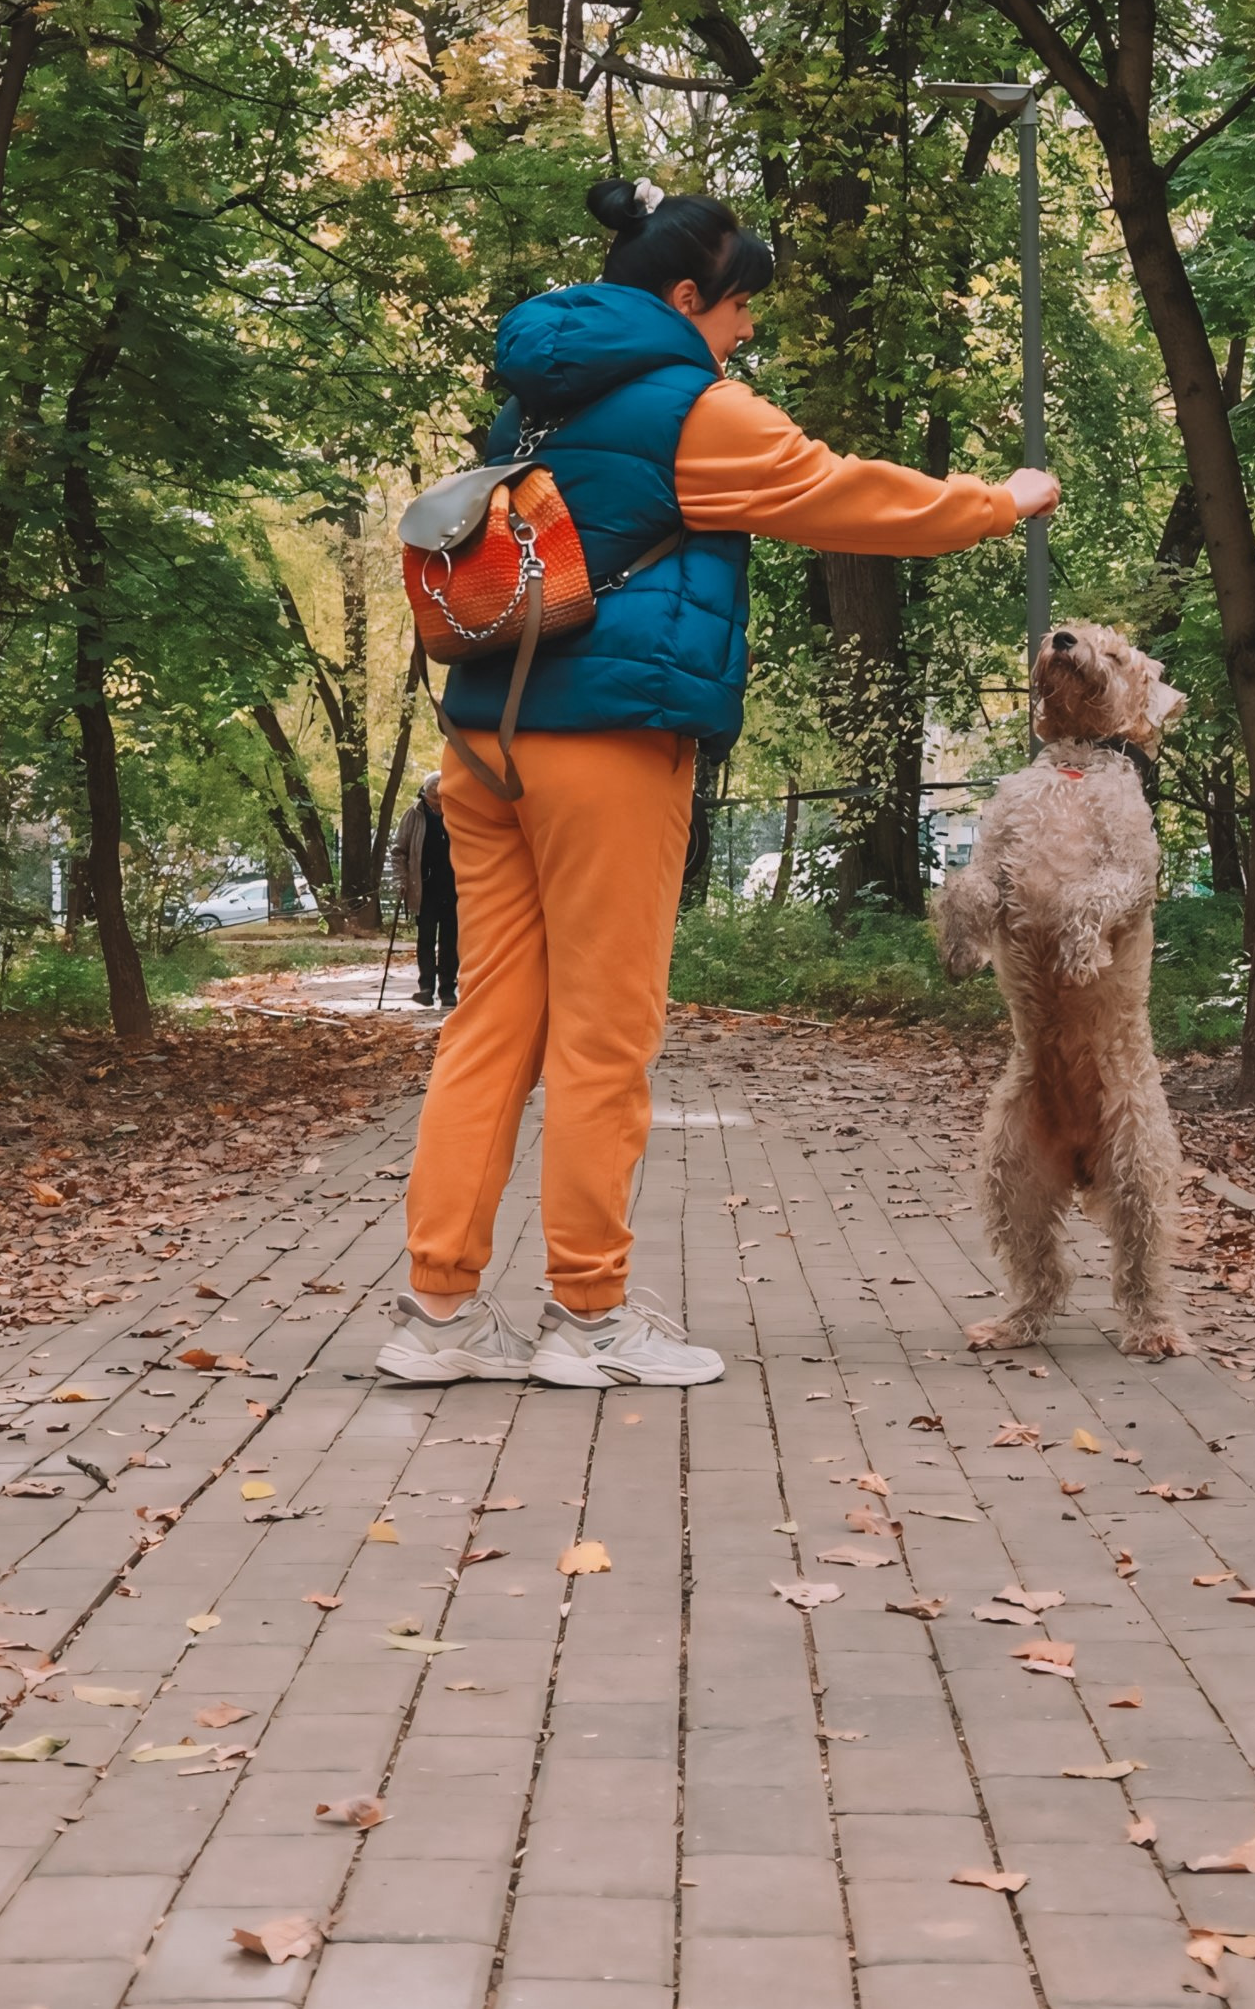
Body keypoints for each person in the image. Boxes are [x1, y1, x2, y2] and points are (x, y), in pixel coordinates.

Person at [379, 177, 1060, 1390]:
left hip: (480, 749)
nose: (746, 331)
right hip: (609, 747)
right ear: (687, 296)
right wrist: (997, 505)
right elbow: (853, 498)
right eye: (740, 307)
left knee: (492, 1024)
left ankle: (436, 1315)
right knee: (602, 1035)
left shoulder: (528, 411)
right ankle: (586, 1318)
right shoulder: (698, 411)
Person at [392, 771, 458, 1010]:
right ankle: (426, 988)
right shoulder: (414, 815)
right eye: (433, 799)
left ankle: (448, 988)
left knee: (451, 941)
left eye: (441, 799)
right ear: (425, 795)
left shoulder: (457, 812)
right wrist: (401, 880)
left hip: (453, 887)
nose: (438, 804)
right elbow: (399, 851)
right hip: (424, 888)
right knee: (426, 940)